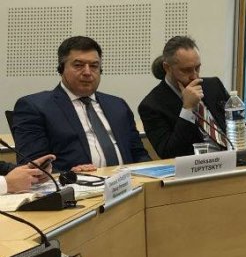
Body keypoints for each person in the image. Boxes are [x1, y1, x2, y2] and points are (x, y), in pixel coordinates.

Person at [11, 36, 150, 172]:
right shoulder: (35, 107)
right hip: (73, 184)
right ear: (61, 69)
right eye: (78, 65)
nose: (87, 72)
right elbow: (33, 166)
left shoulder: (117, 105)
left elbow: (139, 154)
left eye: (94, 66)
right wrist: (69, 175)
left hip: (128, 182)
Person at [139, 36, 246, 158]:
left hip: (234, 159)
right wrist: (187, 109)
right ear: (167, 68)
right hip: (199, 165)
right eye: (186, 70)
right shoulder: (152, 106)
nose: (194, 76)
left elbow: (242, 129)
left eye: (197, 68)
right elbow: (169, 153)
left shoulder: (213, 86)